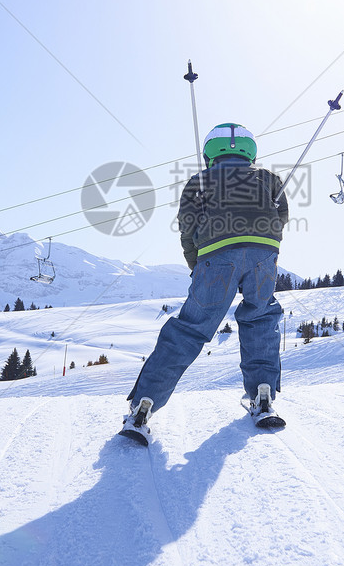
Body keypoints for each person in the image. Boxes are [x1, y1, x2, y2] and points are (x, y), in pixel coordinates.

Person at [121, 123, 289, 442]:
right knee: (261, 318)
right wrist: (263, 244)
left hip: (216, 253)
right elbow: (281, 217)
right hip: (263, 252)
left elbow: (188, 229)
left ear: (210, 152)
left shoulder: (199, 181)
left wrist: (198, 267)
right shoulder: (270, 178)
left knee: (190, 328)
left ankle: (145, 405)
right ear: (250, 151)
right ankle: (263, 397)